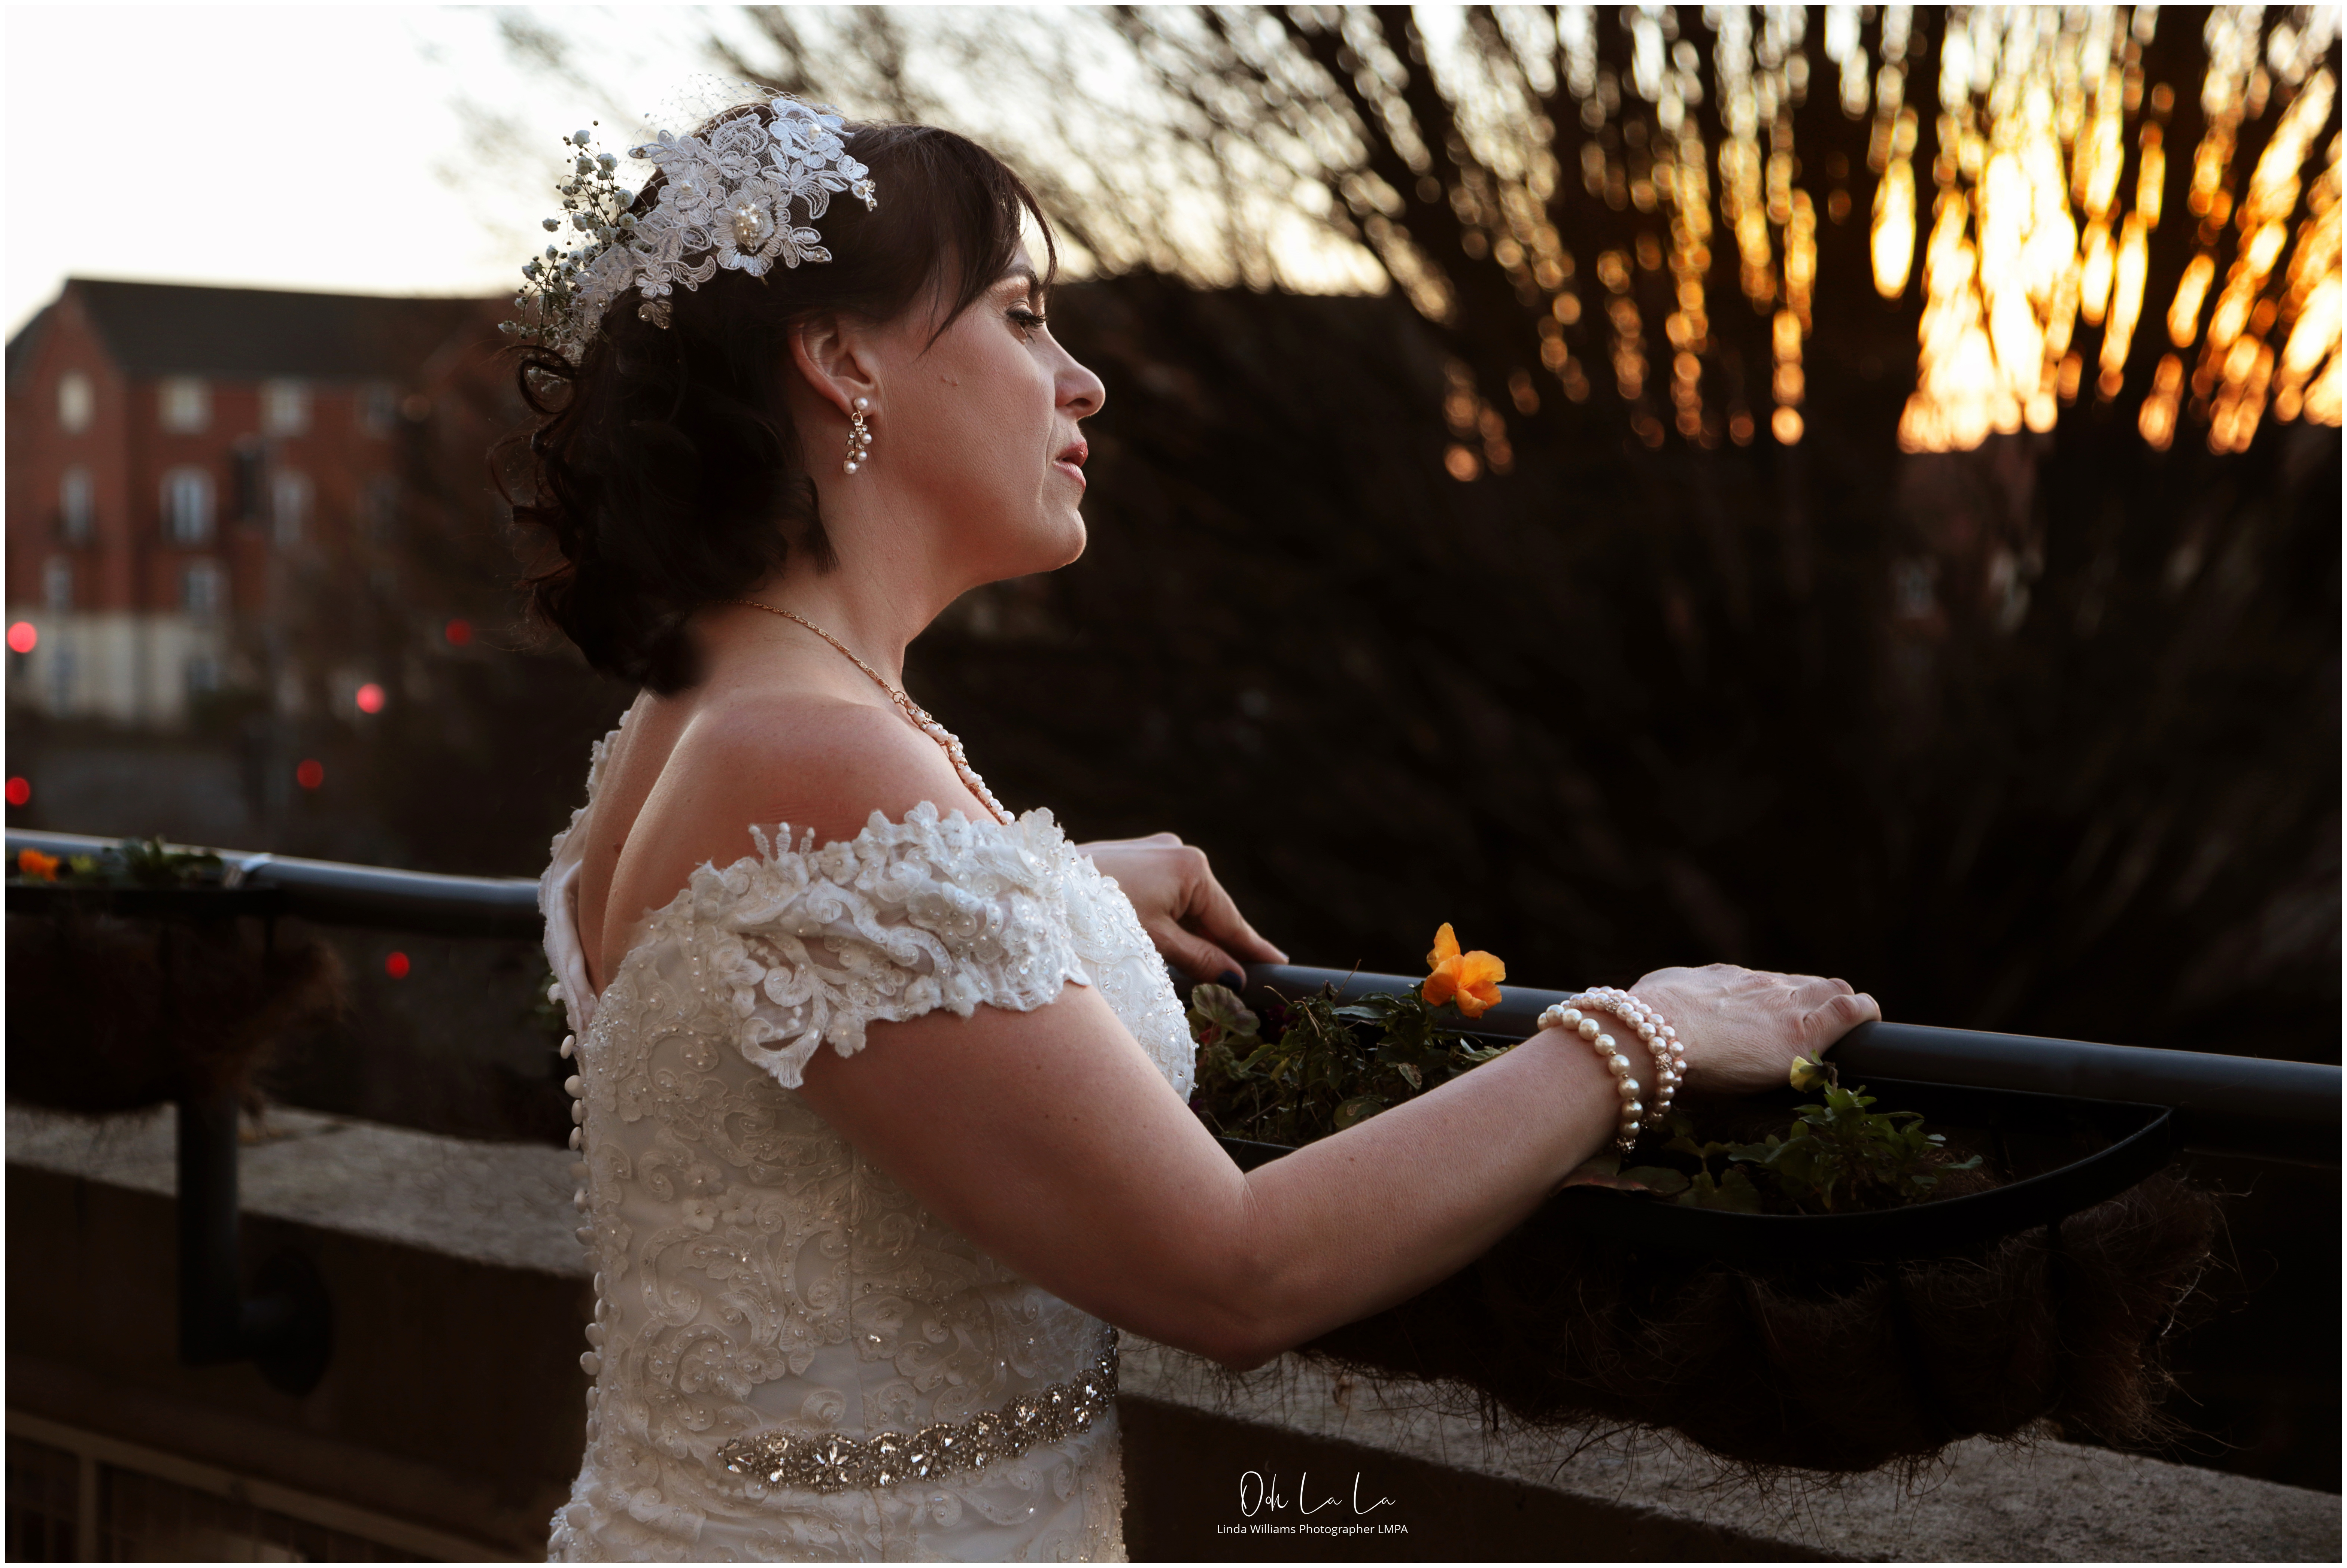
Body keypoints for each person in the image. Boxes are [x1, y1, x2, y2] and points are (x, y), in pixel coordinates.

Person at [516, 94, 1880, 1562]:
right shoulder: (815, 761)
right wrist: (1639, 1034)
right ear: (842, 361)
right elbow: (1234, 1274)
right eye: (1025, 318)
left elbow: (775, 964)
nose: (1083, 381)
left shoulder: (695, 716)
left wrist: (1058, 887)